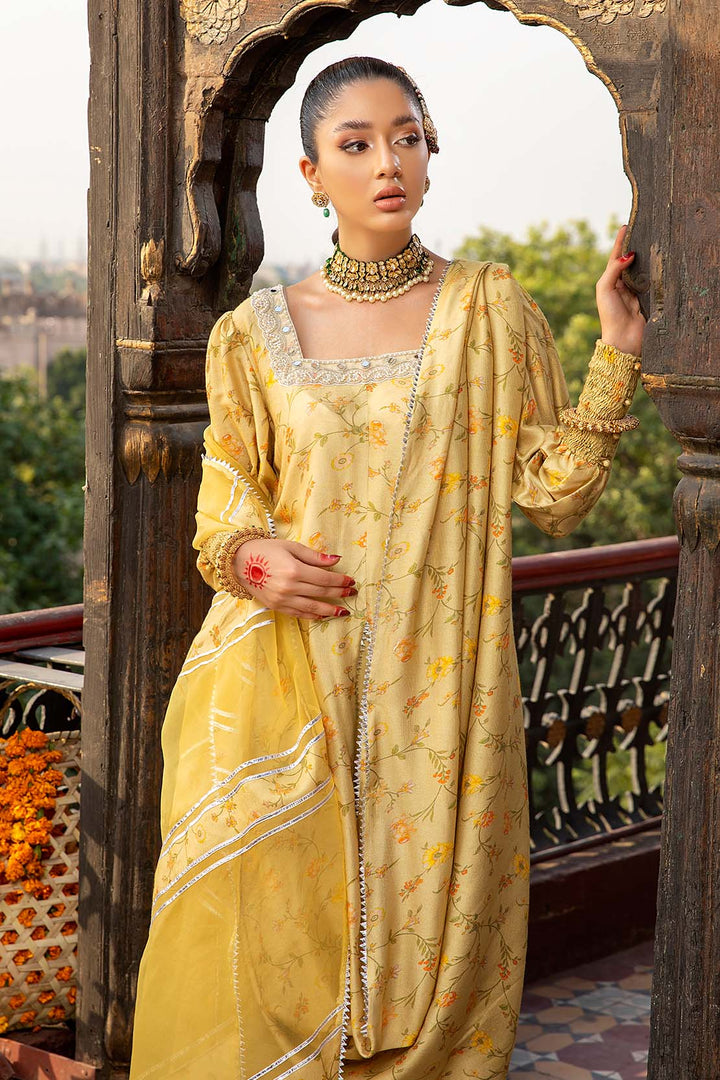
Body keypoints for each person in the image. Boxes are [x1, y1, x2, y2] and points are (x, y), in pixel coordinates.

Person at [129, 55, 645, 1080]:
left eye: (407, 137)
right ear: (312, 173)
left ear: (431, 153)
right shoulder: (252, 338)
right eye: (356, 144)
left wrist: (617, 351)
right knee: (274, 962)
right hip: (288, 691)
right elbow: (223, 517)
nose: (387, 163)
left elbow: (556, 491)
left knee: (441, 958)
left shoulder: (489, 312)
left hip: (444, 698)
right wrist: (254, 559)